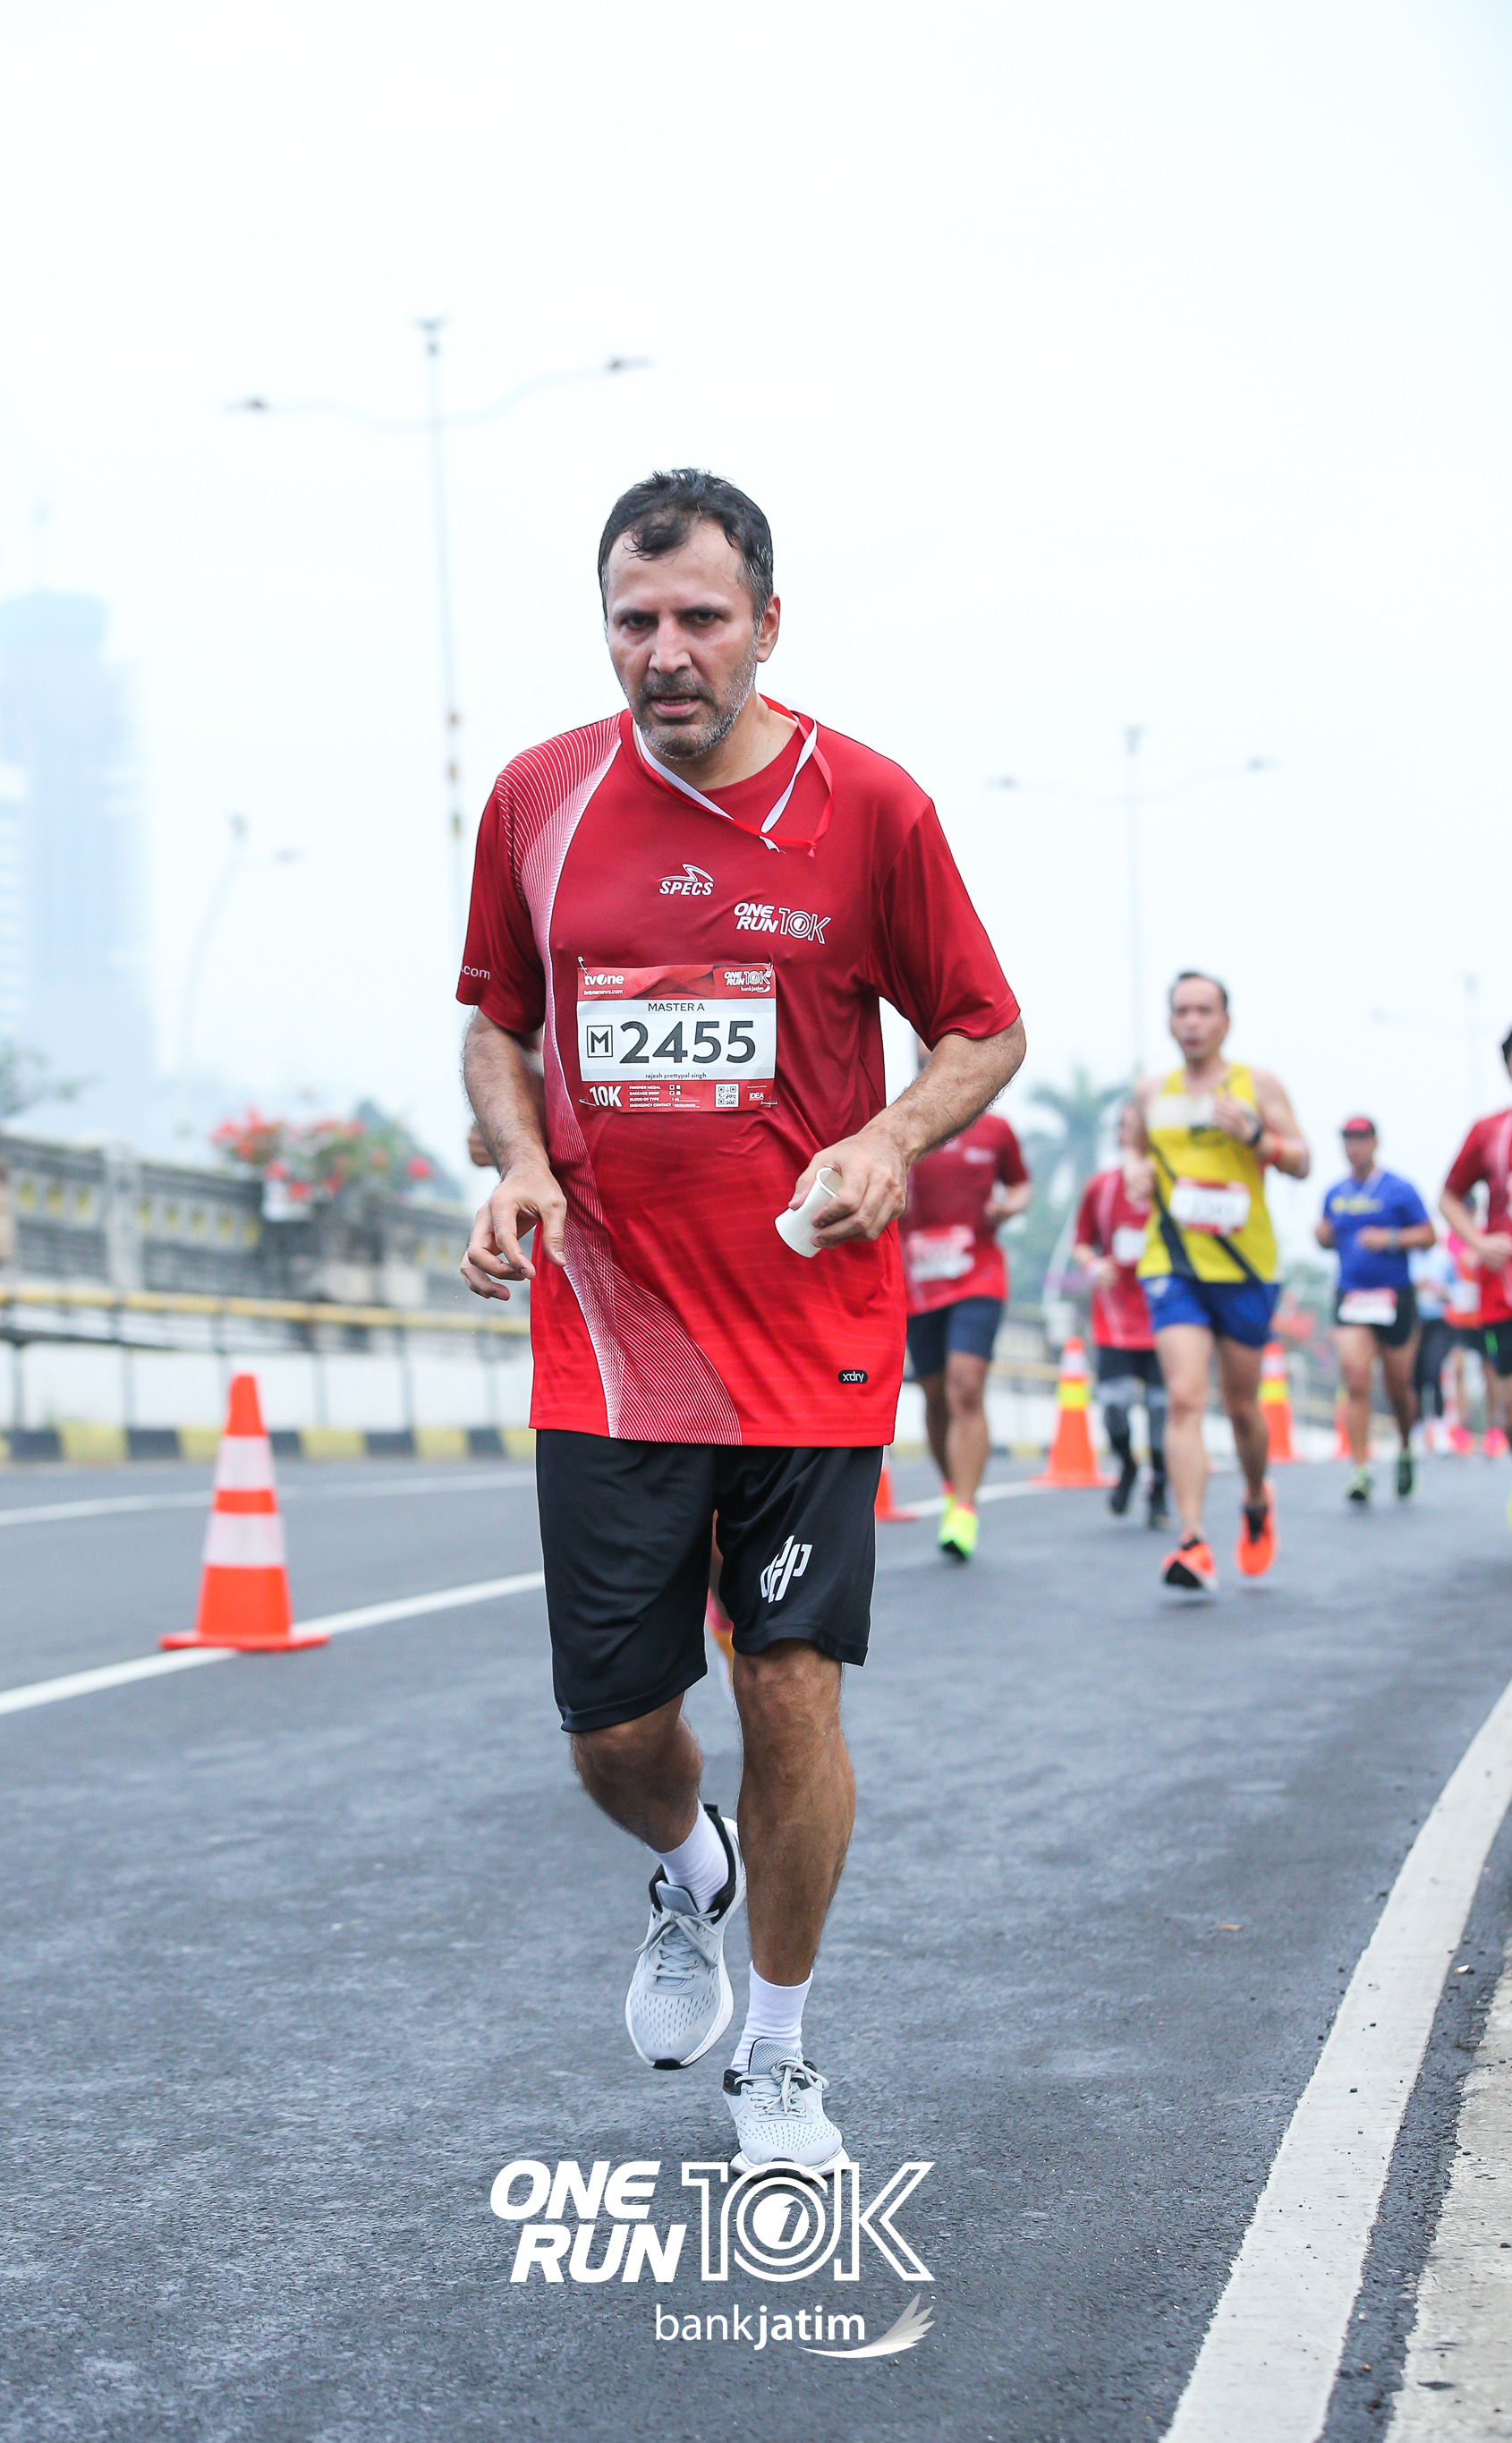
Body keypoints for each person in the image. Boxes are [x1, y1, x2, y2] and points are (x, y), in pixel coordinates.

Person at [456, 468, 1024, 2171]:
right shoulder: (539, 798)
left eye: (701, 618)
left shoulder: (870, 807)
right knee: (614, 1736)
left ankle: (775, 2057)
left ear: (767, 623)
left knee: (789, 1693)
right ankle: (688, 1866)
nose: (667, 652)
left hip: (808, 1342)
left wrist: (890, 1136)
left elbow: (983, 1028)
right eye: (635, 621)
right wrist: (519, 1156)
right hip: (611, 1343)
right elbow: (496, 1021)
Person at [1121, 973, 1310, 1592]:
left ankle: (1255, 1494)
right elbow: (1132, 1146)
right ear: (1170, 1022)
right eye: (1182, 1011)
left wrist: (1258, 1136)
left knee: (1241, 1407)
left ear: (1225, 1021)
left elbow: (1302, 1159)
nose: (1193, 1021)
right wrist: (1133, 1171)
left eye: (1204, 1010)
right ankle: (1193, 1540)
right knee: (1183, 1396)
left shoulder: (1256, 1085)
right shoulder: (1152, 1092)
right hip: (1173, 1262)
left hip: (1243, 1266)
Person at [897, 1051, 1032, 1559]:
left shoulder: (996, 1130)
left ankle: (965, 1508)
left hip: (978, 1273)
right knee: (935, 1398)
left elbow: (1021, 1184)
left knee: (965, 1386)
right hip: (916, 1282)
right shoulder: (897, 1124)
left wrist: (1009, 1206)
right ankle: (954, 1487)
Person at [1314, 1117, 1434, 1503]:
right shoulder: (1335, 1193)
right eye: (1348, 1140)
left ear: (1375, 1142)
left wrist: (1390, 1238)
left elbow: (1429, 1235)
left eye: (1361, 1139)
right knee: (1356, 1378)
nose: (1354, 1147)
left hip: (1394, 1297)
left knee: (1398, 1386)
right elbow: (1328, 1236)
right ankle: (1360, 1469)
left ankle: (1405, 1448)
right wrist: (1322, 1237)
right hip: (1352, 1296)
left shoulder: (1399, 1189)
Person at [1438, 1018, 1512, 1533]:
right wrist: (1477, 1241)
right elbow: (1449, 1196)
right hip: (1509, 1289)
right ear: (1511, 1068)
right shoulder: (1491, 1131)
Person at [1072, 1162, 1168, 1528]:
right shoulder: (1101, 1188)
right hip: (1114, 1319)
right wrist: (1094, 1266)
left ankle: (1159, 1488)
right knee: (1115, 1403)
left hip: (1164, 1317)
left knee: (1161, 1408)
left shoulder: (1174, 1184)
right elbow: (1081, 1243)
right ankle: (1127, 1463)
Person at [1409, 1237, 1457, 1451]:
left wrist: (1442, 1291)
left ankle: (1439, 1428)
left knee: (1433, 1370)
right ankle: (1417, 1428)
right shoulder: (1409, 1258)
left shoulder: (1444, 1259)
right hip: (1414, 1323)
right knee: (1414, 1375)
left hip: (1438, 1323)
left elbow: (1458, 1290)